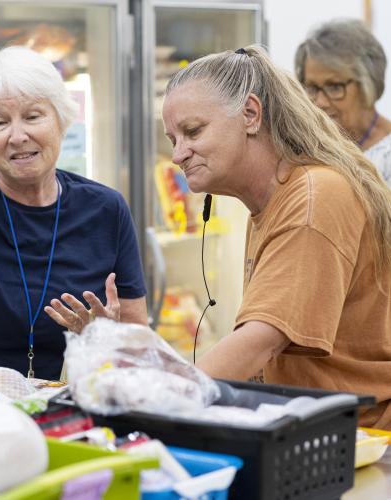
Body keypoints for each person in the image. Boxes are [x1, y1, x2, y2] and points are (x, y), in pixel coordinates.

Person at [162, 46, 391, 428]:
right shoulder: (276, 200)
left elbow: (261, 340)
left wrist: (163, 402)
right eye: (173, 139)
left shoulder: (315, 197)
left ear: (250, 114)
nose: (178, 155)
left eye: (193, 131)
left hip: (367, 439)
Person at [0, 46, 147, 380]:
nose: (18, 136)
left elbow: (137, 335)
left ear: (62, 121)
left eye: (33, 116)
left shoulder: (106, 209)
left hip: (67, 410)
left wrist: (103, 338)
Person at [295, 18, 391, 186]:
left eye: (334, 87)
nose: (320, 102)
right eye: (311, 87)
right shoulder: (301, 148)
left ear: (367, 84)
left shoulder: (386, 156)